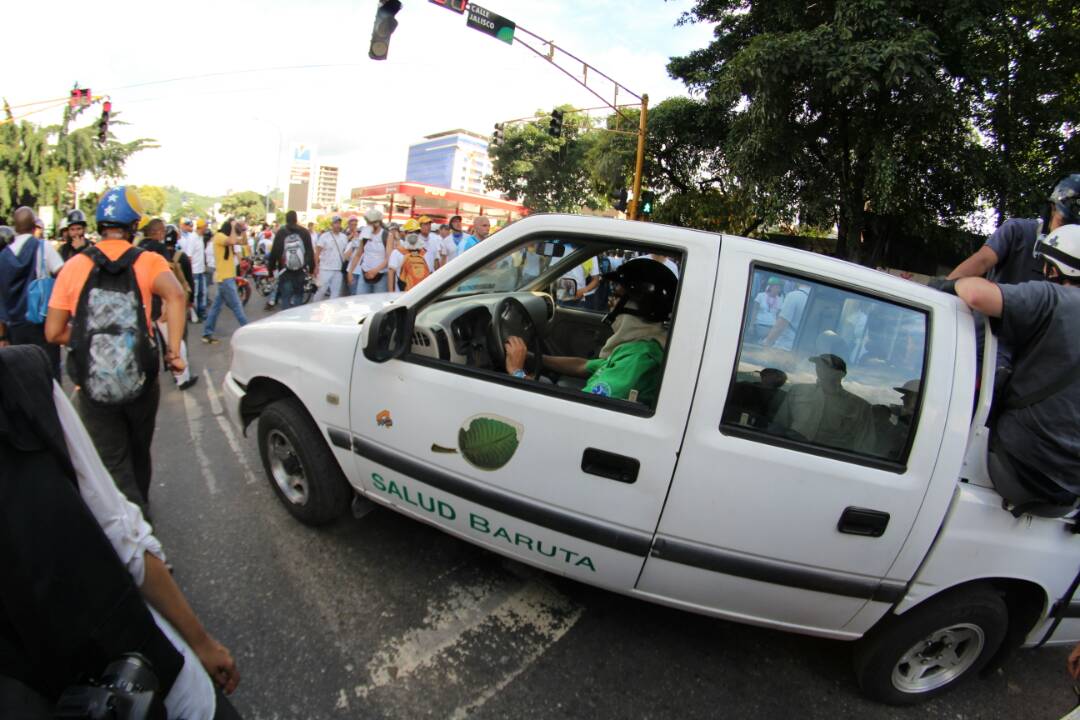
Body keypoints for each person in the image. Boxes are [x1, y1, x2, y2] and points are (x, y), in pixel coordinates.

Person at [0, 344, 240, 720]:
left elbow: (55, 329)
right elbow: (119, 531)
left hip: (43, 689)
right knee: (127, 469)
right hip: (130, 667)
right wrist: (202, 643)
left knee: (118, 460)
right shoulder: (18, 380)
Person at [44, 186, 188, 514]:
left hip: (93, 385)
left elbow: (52, 332)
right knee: (139, 449)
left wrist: (86, 338)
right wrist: (174, 353)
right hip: (142, 378)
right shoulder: (149, 261)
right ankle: (143, 511)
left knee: (112, 461)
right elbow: (176, 296)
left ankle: (135, 532)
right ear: (134, 225)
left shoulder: (73, 266)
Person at [939, 223, 1080, 510]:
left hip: (1020, 466)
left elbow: (977, 295)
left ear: (1054, 269)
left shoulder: (1052, 299)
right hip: (1070, 491)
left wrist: (948, 285)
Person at [939, 173, 1080, 372]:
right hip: (989, 341)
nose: (1066, 233)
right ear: (1052, 208)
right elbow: (982, 261)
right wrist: (940, 292)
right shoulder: (1018, 231)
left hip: (1036, 355)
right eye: (1063, 223)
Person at [505, 259, 677, 407]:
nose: (611, 302)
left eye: (616, 296)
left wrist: (517, 372)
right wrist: (531, 357)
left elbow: (578, 410)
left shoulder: (639, 360)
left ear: (641, 307)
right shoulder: (637, 347)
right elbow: (582, 366)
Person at [0, 206, 65, 379]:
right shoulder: (43, 248)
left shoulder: (3, 256)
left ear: (15, 226)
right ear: (34, 225)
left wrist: (2, 335)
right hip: (41, 322)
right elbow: (64, 275)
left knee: (20, 377)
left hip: (14, 327)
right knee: (46, 373)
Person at [768, 353, 877, 454]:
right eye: (818, 365)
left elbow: (864, 445)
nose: (820, 368)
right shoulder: (798, 390)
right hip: (789, 451)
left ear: (840, 374)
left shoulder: (859, 406)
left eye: (826, 366)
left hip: (831, 459)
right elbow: (779, 425)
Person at [201, 219, 250, 344]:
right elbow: (233, 240)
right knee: (237, 306)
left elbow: (243, 241)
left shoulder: (226, 237)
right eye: (232, 229)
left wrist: (243, 229)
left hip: (227, 277)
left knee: (216, 308)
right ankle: (249, 332)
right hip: (225, 278)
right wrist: (234, 227)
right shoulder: (219, 237)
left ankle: (207, 333)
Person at [267, 210, 315, 310]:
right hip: (301, 271)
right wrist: (311, 270)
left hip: (285, 271)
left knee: (286, 297)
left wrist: (270, 272)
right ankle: (296, 320)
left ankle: (286, 321)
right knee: (298, 296)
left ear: (286, 219)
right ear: (296, 219)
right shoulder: (304, 232)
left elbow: (274, 253)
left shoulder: (281, 232)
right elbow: (310, 252)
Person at [349, 208, 391, 294]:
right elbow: (358, 254)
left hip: (381, 274)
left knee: (378, 303)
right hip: (365, 272)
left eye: (370, 223)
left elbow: (388, 258)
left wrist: (375, 270)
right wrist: (350, 272)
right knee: (360, 301)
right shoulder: (365, 233)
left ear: (377, 223)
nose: (368, 225)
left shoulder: (387, 235)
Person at [762, 281, 809, 350]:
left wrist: (767, 342)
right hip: (801, 349)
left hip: (784, 346)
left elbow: (781, 325)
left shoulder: (794, 296)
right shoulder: (816, 299)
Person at [312, 215, 349, 301]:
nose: (337, 225)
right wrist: (316, 266)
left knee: (335, 294)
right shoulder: (324, 236)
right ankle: (314, 308)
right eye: (335, 223)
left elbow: (345, 252)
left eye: (339, 223)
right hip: (325, 268)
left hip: (338, 270)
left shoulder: (344, 237)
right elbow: (317, 252)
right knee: (321, 291)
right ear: (331, 224)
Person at [749, 276, 784, 342]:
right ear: (770, 287)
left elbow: (778, 316)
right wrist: (751, 326)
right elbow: (754, 311)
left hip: (771, 328)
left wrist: (776, 330)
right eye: (776, 287)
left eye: (779, 288)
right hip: (759, 326)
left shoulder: (780, 300)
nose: (778, 289)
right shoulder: (760, 295)